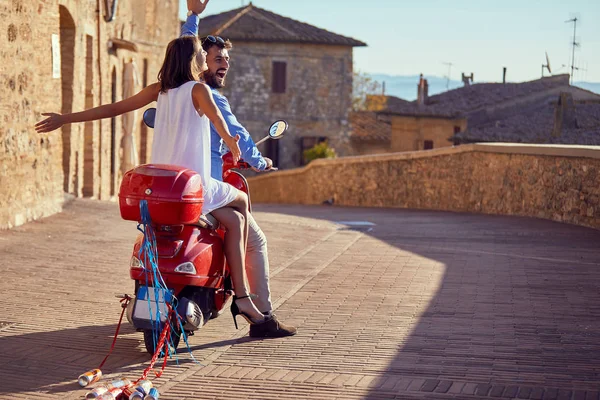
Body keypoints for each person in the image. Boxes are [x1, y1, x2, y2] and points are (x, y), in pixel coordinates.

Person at [35, 35, 269, 328]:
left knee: (234, 219)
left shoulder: (160, 91)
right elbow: (218, 120)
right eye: (199, 53)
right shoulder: (199, 89)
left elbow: (113, 108)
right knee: (242, 204)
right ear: (191, 59)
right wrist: (232, 145)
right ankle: (242, 296)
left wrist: (65, 118)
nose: (202, 58)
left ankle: (239, 293)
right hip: (194, 185)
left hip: (165, 187)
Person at [182, 0, 296, 338]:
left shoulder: (178, 88)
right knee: (254, 238)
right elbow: (238, 136)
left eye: (226, 61)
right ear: (201, 62)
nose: (224, 66)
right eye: (217, 60)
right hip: (208, 187)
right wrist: (260, 161)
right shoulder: (211, 97)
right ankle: (258, 310)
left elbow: (186, 47)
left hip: (179, 184)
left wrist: (193, 17)